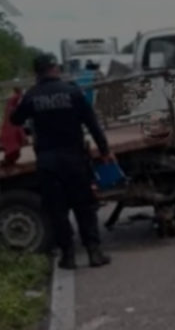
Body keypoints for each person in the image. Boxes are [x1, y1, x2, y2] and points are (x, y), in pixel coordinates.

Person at [10, 54, 114, 270]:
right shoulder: (72, 91)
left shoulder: (32, 95)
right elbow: (92, 123)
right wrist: (104, 150)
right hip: (74, 158)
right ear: (54, 69)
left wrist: (20, 101)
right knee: (84, 207)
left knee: (57, 210)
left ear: (37, 73)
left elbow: (16, 120)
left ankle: (68, 256)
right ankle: (94, 253)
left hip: (48, 162)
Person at [0, 85, 28, 167]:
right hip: (12, 118)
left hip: (11, 118)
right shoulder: (16, 97)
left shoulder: (14, 98)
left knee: (12, 138)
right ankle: (9, 158)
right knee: (13, 138)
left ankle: (9, 158)